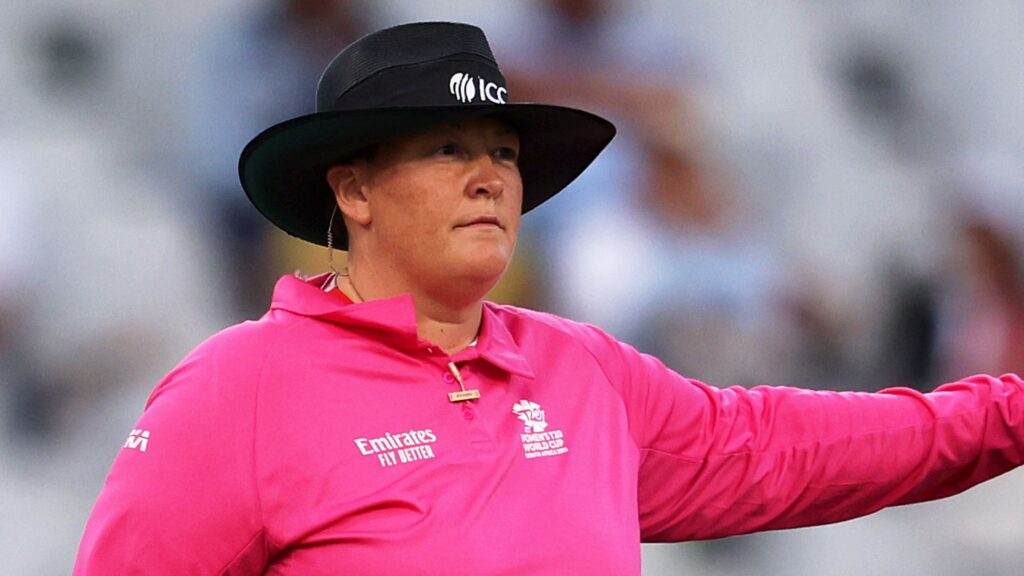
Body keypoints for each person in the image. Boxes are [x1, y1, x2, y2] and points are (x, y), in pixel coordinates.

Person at [74, 22, 1024, 575]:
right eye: (448, 149)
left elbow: (791, 445)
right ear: (353, 190)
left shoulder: (581, 370)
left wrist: (1011, 414)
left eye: (504, 153)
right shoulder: (238, 388)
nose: (489, 177)